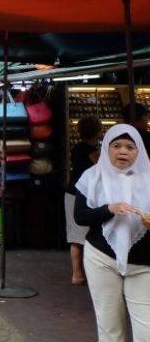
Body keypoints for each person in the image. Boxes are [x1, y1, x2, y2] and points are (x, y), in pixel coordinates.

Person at [74, 124, 150, 341]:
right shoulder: (92, 177)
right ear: (106, 148)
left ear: (139, 151)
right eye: (116, 145)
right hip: (101, 259)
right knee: (109, 326)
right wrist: (108, 209)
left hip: (144, 264)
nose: (123, 151)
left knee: (146, 328)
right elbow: (80, 216)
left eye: (130, 147)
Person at [66, 115, 102, 285]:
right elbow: (102, 166)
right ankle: (79, 273)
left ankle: (77, 273)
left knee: (75, 236)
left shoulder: (76, 148)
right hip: (83, 194)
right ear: (97, 131)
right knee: (83, 235)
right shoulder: (92, 152)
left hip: (73, 192)